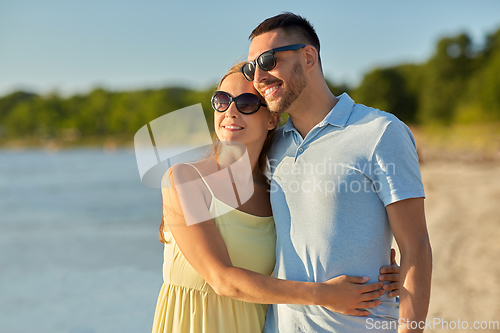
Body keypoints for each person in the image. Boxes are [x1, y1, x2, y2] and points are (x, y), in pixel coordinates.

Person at [151, 63, 402, 333]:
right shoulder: (184, 179)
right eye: (221, 101)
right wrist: (325, 296)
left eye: (246, 103)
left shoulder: (277, 193)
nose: (230, 112)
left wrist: (378, 268)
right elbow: (222, 279)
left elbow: (313, 250)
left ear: (272, 119)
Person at [242, 13, 432, 333]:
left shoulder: (379, 132)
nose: (258, 76)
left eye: (269, 60)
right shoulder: (272, 147)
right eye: (251, 68)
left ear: (308, 56)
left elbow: (417, 248)